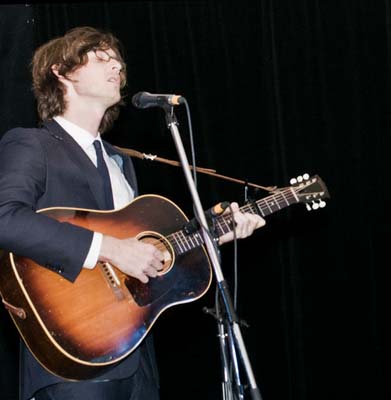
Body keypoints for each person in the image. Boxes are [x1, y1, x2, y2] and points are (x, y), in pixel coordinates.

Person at [0, 26, 265, 400]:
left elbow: (142, 260)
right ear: (61, 71)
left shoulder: (120, 162)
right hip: (73, 362)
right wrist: (108, 246)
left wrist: (213, 234)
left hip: (137, 358)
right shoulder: (32, 144)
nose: (118, 67)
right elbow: (4, 218)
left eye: (119, 62)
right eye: (102, 57)